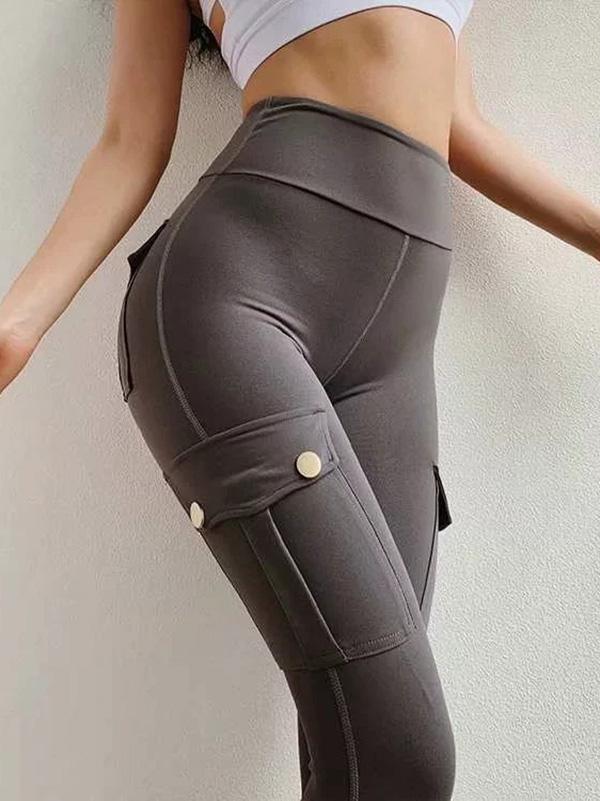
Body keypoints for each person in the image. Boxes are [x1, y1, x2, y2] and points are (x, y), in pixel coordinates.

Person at [1, 2, 599, 799]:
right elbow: (129, 140)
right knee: (405, 759)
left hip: (396, 354)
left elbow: (457, 122)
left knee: (361, 760)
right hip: (237, 300)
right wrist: (16, 326)